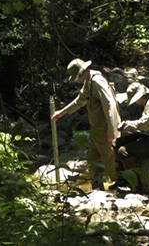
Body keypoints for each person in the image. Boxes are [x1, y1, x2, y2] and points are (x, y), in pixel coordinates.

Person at [51, 58, 121, 189]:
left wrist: (112, 130)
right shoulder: (88, 82)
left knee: (108, 158)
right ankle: (96, 187)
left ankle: (118, 185)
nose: (77, 79)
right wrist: (62, 112)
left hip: (105, 127)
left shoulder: (97, 81)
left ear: (85, 71)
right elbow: (80, 101)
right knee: (92, 159)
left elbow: (110, 104)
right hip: (96, 128)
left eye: (78, 76)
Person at [114, 82, 149, 170]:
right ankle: (121, 176)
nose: (136, 102)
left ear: (141, 95)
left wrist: (127, 125)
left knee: (123, 151)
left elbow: (144, 125)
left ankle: (133, 181)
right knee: (116, 143)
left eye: (135, 99)